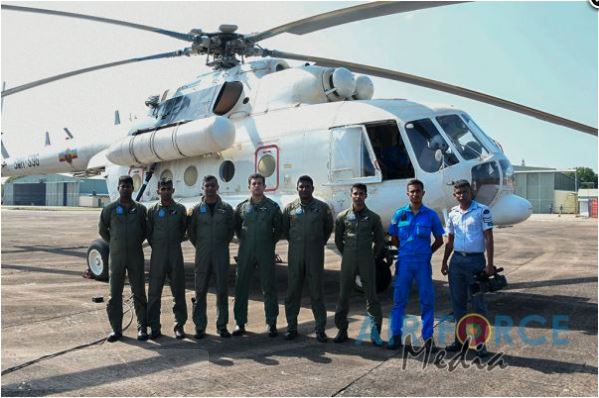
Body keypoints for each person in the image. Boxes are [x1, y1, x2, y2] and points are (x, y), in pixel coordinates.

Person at [387, 179, 444, 350]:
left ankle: (428, 338)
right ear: (407, 194)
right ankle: (396, 336)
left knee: (427, 301)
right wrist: (405, 250)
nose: (415, 194)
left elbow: (440, 240)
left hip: (422, 264)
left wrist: (427, 253)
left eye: (418, 191)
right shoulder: (399, 214)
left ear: (423, 193)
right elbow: (393, 237)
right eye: (411, 191)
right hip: (404, 263)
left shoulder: (431, 215)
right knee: (399, 301)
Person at [441, 179, 494, 356]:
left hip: (476, 263)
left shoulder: (482, 210)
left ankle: (480, 344)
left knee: (478, 304)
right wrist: (444, 262)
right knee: (458, 304)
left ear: (471, 192)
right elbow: (450, 240)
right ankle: (460, 341)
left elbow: (489, 238)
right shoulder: (452, 213)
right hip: (456, 262)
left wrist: (490, 264)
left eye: (465, 191)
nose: (462, 195)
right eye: (458, 192)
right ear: (454, 195)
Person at [281, 175, 334, 342]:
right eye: (301, 187)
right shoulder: (290, 208)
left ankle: (320, 330)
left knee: (316, 293)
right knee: (292, 292)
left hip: (315, 255)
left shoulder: (322, 208)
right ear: (297, 189)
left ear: (313, 188)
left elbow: (327, 228)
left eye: (307, 187)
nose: (304, 189)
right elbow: (285, 230)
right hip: (295, 255)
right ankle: (291, 328)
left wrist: (316, 243)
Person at [333, 183, 385, 346]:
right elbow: (338, 240)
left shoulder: (373, 218)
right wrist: (347, 253)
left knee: (371, 296)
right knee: (343, 296)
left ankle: (375, 333)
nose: (358, 196)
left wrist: (371, 256)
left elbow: (379, 241)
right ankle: (342, 330)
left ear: (365, 196)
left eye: (361, 193)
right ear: (351, 195)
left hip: (366, 259)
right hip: (348, 259)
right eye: (355, 193)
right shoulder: (342, 216)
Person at [99, 175, 148, 342]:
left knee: (139, 292)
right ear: (118, 188)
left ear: (133, 189)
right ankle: (116, 329)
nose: (126, 189)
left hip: (135, 255)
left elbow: (144, 231)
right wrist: (115, 243)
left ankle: (142, 327)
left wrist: (133, 242)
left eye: (129, 186)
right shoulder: (109, 209)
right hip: (117, 256)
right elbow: (102, 230)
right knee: (115, 294)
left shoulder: (140, 210)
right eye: (123, 186)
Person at [233, 173, 283, 337]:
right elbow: (237, 228)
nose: (257, 186)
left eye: (260, 183)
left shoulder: (272, 207)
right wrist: (245, 242)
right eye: (254, 183)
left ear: (264, 186)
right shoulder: (242, 207)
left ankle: (271, 323)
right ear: (249, 186)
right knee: (241, 287)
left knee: (269, 287)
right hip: (246, 250)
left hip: (265, 250)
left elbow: (279, 229)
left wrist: (268, 243)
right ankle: (240, 323)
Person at [188, 175, 235, 339]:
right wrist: (202, 246)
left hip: (221, 253)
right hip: (202, 254)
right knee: (200, 291)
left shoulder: (227, 209)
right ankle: (200, 327)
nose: (210, 188)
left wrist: (220, 244)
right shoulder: (195, 209)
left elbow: (231, 231)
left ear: (217, 187)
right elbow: (191, 233)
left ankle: (222, 326)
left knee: (222, 290)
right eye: (207, 185)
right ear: (203, 188)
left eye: (212, 185)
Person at [146, 178, 188, 340]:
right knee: (154, 292)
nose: (165, 191)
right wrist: (158, 245)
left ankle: (179, 326)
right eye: (162, 189)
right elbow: (149, 233)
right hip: (158, 255)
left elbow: (183, 228)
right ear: (158, 191)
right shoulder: (152, 211)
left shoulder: (180, 209)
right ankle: (154, 327)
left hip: (175, 255)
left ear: (173, 190)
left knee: (178, 291)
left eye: (168, 188)